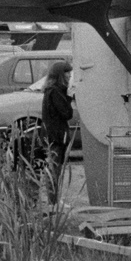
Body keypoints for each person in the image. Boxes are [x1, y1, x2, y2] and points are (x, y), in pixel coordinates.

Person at [39, 60, 75, 206]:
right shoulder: (56, 92)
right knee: (55, 169)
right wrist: (70, 96)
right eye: (67, 73)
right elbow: (67, 113)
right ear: (61, 75)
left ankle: (53, 200)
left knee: (55, 168)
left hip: (52, 134)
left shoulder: (51, 90)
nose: (69, 76)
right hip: (56, 135)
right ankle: (53, 202)